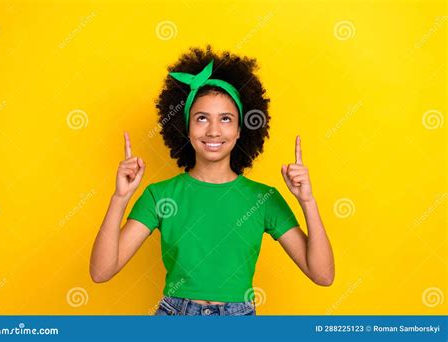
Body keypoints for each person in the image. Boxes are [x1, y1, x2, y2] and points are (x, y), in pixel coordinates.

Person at [89, 45, 334, 316]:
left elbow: (322, 275)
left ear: (240, 130)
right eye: (202, 118)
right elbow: (101, 272)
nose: (214, 131)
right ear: (186, 128)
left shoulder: (263, 199)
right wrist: (119, 198)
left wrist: (307, 201)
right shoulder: (160, 195)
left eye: (226, 119)